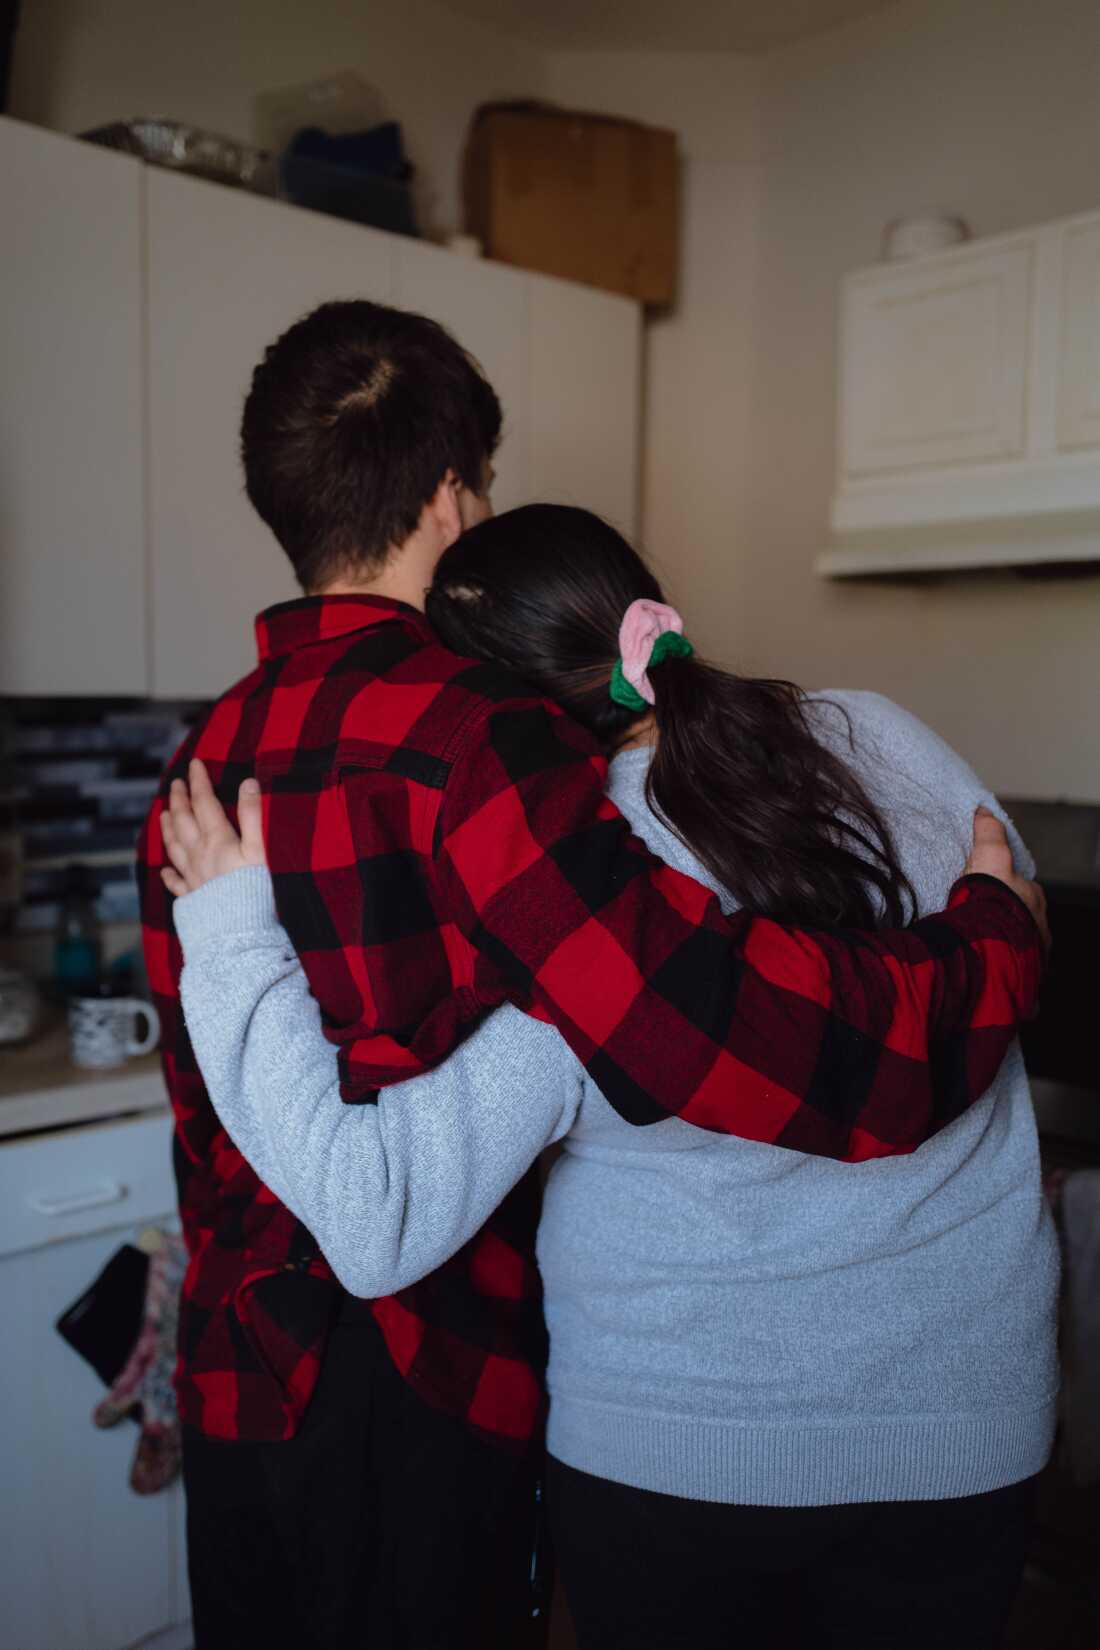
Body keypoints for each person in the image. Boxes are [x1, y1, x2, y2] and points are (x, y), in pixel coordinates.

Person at [139, 306, 1046, 1650]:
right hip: (436, 1376)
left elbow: (215, 1112)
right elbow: (704, 1022)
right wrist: (989, 947)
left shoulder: (198, 759)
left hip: (242, 1371)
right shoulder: (496, 741)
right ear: (455, 496)